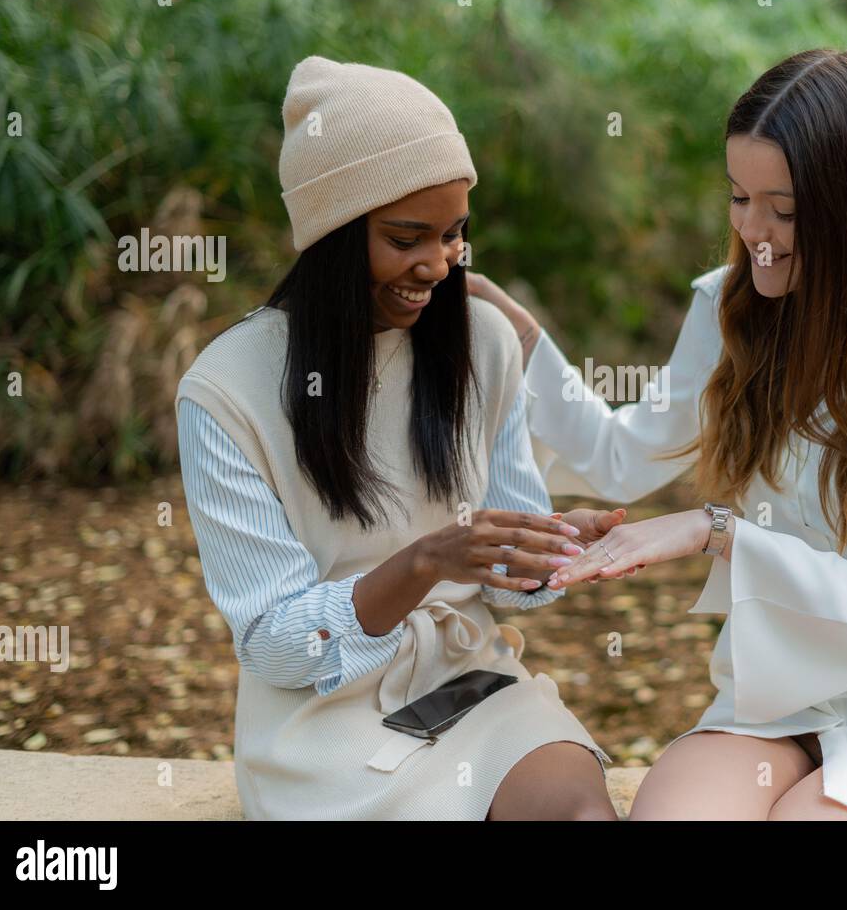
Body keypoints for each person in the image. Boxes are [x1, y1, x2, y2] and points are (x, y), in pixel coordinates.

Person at [470, 48, 847, 820]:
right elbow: (617, 457)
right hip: (774, 690)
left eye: (786, 209)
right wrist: (526, 341)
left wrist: (718, 531)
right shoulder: (728, 306)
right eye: (740, 198)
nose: (755, 232)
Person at [175, 56, 621, 820]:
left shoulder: (482, 344)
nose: (438, 265)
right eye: (407, 237)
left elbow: (509, 590)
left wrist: (547, 550)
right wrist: (423, 563)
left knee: (578, 811)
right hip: (322, 722)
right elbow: (278, 644)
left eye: (453, 236)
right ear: (333, 234)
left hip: (473, 688)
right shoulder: (225, 391)